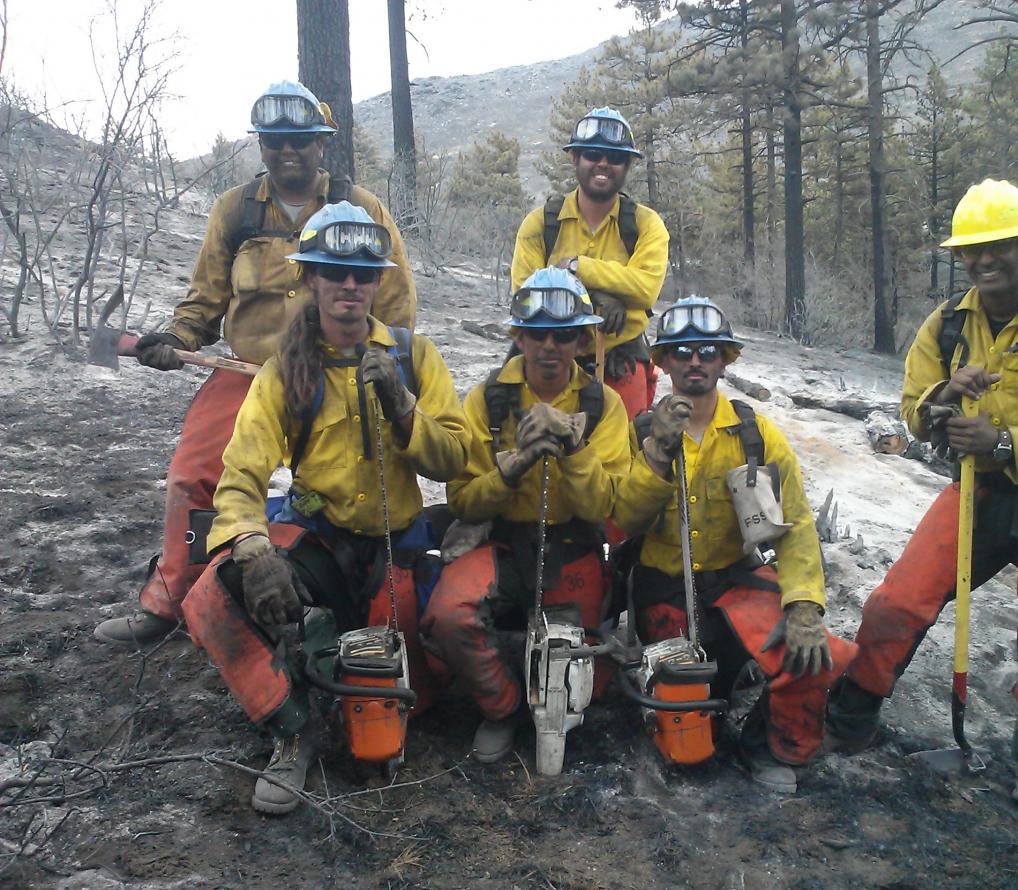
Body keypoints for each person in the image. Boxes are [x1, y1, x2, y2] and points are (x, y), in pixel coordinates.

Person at [824, 179, 1018, 814]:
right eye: (972, 251)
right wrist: (944, 400)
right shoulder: (948, 324)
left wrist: (1006, 441)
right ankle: (850, 720)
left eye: (998, 246)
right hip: (978, 489)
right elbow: (913, 411)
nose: (985, 261)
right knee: (899, 600)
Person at [95, 80, 417, 645]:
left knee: (365, 482)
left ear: (322, 144)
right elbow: (204, 300)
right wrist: (175, 337)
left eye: (300, 140)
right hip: (247, 375)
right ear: (261, 145)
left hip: (337, 374)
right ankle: (173, 600)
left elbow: (395, 303)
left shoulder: (362, 210)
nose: (287, 150)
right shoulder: (235, 210)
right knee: (195, 475)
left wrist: (381, 361)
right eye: (274, 140)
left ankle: (363, 595)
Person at [178, 201, 468, 815]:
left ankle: (338, 654)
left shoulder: (416, 357)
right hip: (320, 543)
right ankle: (291, 730)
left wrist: (404, 407)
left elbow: (454, 460)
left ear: (378, 282)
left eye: (364, 274)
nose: (350, 285)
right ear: (309, 278)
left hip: (396, 549)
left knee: (422, 686)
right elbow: (241, 473)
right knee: (212, 596)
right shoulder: (286, 370)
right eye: (334, 272)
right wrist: (251, 546)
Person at [611, 297, 858, 794]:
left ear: (725, 360)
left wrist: (804, 605)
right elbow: (625, 520)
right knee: (687, 728)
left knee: (812, 655)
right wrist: (658, 452)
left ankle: (769, 746)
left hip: (736, 582)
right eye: (681, 351)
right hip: (665, 589)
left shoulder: (755, 434)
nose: (694, 360)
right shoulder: (639, 432)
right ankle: (721, 684)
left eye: (707, 350)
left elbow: (796, 526)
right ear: (662, 362)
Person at [421, 268, 631, 763]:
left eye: (564, 335)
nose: (550, 347)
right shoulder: (489, 399)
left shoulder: (604, 405)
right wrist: (511, 468)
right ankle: (503, 709)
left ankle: (551, 705)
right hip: (502, 544)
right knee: (448, 615)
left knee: (583, 672)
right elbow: (464, 500)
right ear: (518, 336)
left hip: (573, 548)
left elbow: (603, 505)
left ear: (582, 341)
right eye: (537, 334)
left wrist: (573, 449)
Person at [510, 107, 669, 420]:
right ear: (575, 158)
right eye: (593, 154)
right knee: (512, 430)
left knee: (627, 444)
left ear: (627, 165)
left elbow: (645, 289)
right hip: (545, 358)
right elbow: (524, 299)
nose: (604, 163)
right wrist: (596, 299)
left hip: (620, 360)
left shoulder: (646, 225)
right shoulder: (540, 224)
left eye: (616, 157)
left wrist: (575, 267)